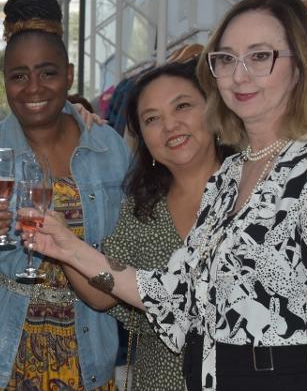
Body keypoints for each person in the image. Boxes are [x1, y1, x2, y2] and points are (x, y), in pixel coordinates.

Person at [31, 0, 307, 391]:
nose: (240, 75)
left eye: (260, 56)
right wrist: (67, 247)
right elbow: (174, 297)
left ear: (300, 67)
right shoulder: (229, 179)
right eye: (226, 59)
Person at [0, 0, 131, 391]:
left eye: (47, 73)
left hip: (89, 353)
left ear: (69, 74)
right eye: (19, 76)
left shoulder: (109, 147)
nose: (34, 88)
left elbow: (130, 247)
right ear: (4, 80)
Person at [98, 59, 234, 391]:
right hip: (158, 381)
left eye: (183, 106)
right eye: (152, 119)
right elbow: (102, 293)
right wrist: (62, 241)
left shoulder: (252, 192)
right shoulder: (143, 207)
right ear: (144, 139)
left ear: (213, 112)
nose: (170, 126)